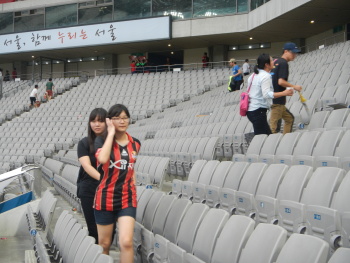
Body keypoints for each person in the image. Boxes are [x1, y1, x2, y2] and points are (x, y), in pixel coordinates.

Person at [94, 104, 141, 259]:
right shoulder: (101, 141)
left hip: (127, 198)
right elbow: (102, 159)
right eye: (117, 118)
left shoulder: (136, 143)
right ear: (110, 121)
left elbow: (131, 168)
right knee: (104, 244)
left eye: (125, 118)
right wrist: (111, 133)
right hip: (105, 198)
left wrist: (132, 184)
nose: (122, 121)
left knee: (126, 242)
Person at [77, 108, 108, 243]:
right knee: (94, 228)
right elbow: (87, 166)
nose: (97, 124)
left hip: (109, 190)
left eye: (100, 121)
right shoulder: (84, 143)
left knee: (108, 229)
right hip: (89, 188)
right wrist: (104, 180)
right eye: (93, 121)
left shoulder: (112, 143)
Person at [246, 54, 294, 135]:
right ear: (266, 64)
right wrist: (284, 93)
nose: (273, 62)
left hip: (251, 110)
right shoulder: (265, 76)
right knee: (262, 138)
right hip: (258, 111)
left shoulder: (253, 75)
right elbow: (267, 94)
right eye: (271, 60)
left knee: (267, 136)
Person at [270, 42, 302, 134]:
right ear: (286, 51)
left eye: (296, 53)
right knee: (274, 129)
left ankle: (285, 139)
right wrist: (294, 86)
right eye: (293, 52)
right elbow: (281, 82)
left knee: (290, 118)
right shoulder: (283, 63)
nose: (295, 55)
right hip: (277, 101)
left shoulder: (276, 61)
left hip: (275, 99)